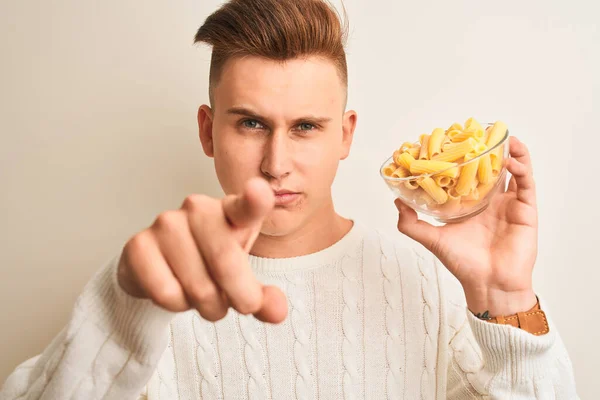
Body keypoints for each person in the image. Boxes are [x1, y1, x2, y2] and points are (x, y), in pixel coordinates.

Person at [0, 0, 578, 399]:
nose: (277, 163)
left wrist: (506, 298)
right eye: (251, 123)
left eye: (306, 126)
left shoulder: (425, 286)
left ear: (345, 134)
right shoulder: (155, 283)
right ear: (207, 130)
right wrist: (117, 316)